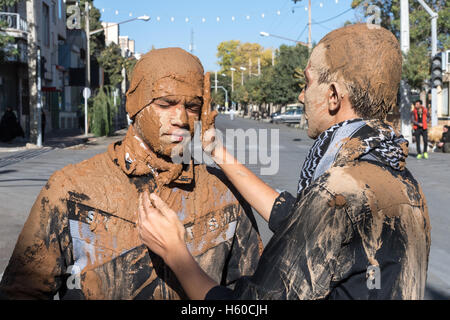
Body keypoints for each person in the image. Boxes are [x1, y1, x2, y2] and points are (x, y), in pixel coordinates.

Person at [137, 24, 431, 300]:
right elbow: (299, 222)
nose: (302, 95)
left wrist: (175, 252)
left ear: (332, 96)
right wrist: (217, 152)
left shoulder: (338, 192)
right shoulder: (403, 182)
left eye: (307, 82)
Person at [0, 48, 262, 300]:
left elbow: (249, 293)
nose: (181, 118)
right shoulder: (71, 189)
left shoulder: (224, 193)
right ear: (135, 103)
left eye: (192, 107)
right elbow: (23, 290)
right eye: (165, 103)